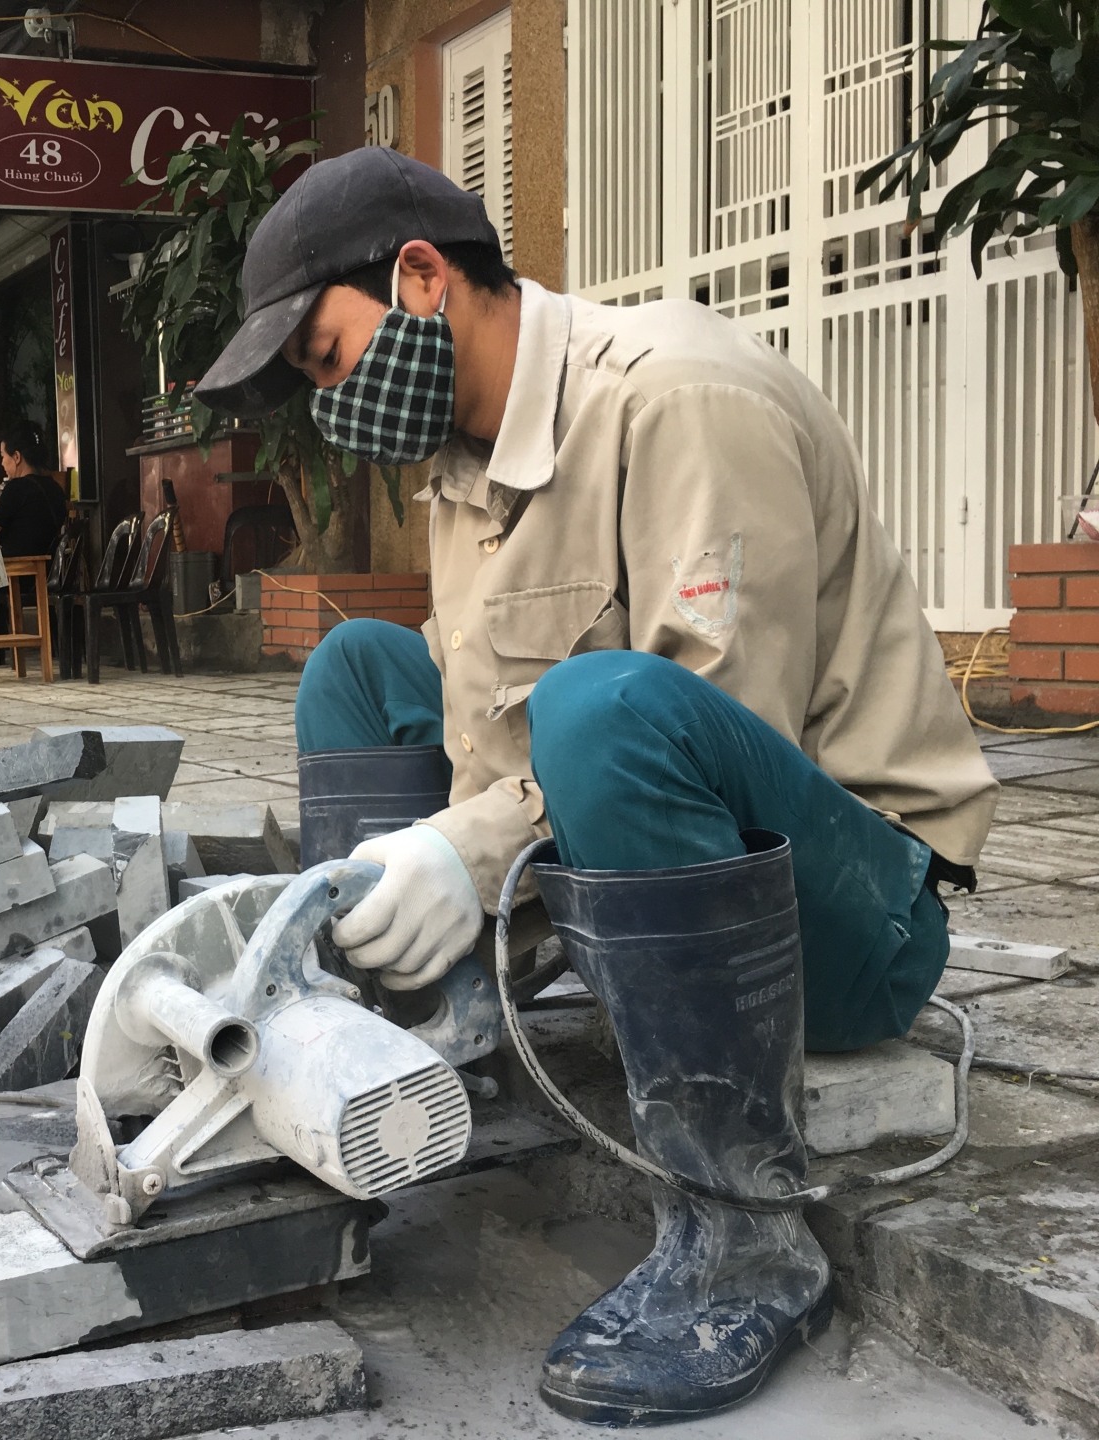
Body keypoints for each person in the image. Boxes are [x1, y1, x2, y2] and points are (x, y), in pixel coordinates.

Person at [194, 147, 996, 1425]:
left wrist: (472, 848)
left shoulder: (679, 399)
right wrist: (453, 883)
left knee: (601, 702)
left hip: (845, 914)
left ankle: (745, 1239)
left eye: (327, 361)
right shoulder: (462, 470)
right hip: (634, 871)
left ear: (418, 278)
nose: (327, 406)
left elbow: (715, 720)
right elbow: (482, 748)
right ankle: (415, 1040)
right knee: (356, 661)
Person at [0, 422, 69, 643]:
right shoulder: (54, 488)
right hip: (45, 573)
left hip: (15, 575)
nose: (2, 463)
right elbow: (15, 510)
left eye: (3, 456)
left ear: (17, 457)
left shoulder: (16, 488)